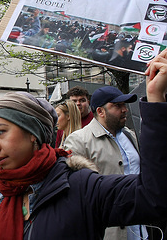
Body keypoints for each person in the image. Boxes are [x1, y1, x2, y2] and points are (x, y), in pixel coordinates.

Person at [0, 48, 167, 239]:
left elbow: (151, 197)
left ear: (32, 133)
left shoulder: (81, 188)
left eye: (0, 132)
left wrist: (156, 99)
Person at [63, 86, 145, 239]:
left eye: (124, 105)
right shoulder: (79, 140)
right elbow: (73, 192)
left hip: (139, 228)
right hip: (109, 231)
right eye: (117, 106)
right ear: (100, 111)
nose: (124, 110)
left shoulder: (129, 135)